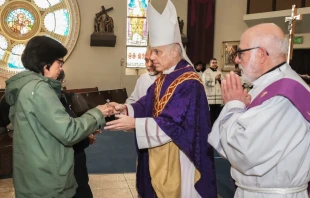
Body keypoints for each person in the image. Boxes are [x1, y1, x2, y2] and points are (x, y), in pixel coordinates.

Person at [104, 1, 217, 198]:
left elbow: (174, 122)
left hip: (181, 153)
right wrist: (125, 109)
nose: (153, 57)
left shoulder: (188, 81)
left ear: (175, 50)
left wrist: (136, 124)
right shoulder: (165, 76)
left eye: (158, 51)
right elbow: (147, 103)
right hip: (162, 150)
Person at [208, 23, 310, 198]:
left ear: (261, 54)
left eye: (241, 53)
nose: (237, 60)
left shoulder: (284, 95)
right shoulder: (265, 86)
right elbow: (223, 145)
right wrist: (237, 105)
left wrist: (234, 105)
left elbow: (243, 154)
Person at [5, 36, 114, 198]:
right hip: (46, 180)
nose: (61, 68)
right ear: (45, 64)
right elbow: (68, 132)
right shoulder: (40, 89)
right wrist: (98, 112)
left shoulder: (24, 87)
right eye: (59, 63)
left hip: (33, 174)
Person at [56, 70, 96, 198]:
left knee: (81, 185)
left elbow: (71, 120)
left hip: (74, 152)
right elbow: (65, 131)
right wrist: (85, 135)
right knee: (79, 189)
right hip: (65, 157)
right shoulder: (50, 99)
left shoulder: (61, 96)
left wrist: (86, 131)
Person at [202, 58, 223, 125]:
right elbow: (206, 83)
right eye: (213, 62)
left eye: (215, 62)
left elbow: (223, 81)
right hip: (210, 97)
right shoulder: (206, 72)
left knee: (218, 113)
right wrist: (215, 78)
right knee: (211, 114)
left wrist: (220, 80)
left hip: (218, 97)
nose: (214, 64)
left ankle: (216, 126)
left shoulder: (219, 72)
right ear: (210, 64)